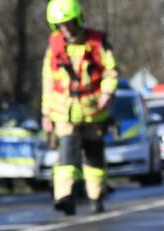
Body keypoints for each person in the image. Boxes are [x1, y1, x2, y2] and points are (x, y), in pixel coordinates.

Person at [41, 0, 118, 215]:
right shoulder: (54, 47)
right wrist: (46, 113)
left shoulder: (96, 42)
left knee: (94, 156)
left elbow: (111, 72)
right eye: (60, 25)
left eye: (68, 23)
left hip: (92, 110)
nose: (65, 28)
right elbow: (48, 80)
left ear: (77, 19)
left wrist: (107, 92)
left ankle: (96, 196)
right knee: (66, 154)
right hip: (64, 110)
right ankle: (65, 197)